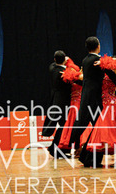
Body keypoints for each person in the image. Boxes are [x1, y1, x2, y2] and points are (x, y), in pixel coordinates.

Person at [70, 36, 105, 167]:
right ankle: (89, 158)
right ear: (98, 46)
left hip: (86, 96)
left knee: (94, 127)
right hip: (95, 97)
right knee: (97, 129)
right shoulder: (97, 60)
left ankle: (87, 157)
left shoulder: (85, 60)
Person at [43, 50, 71, 158]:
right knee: (64, 125)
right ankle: (55, 149)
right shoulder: (64, 73)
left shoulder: (52, 68)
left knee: (62, 125)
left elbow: (54, 64)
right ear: (64, 59)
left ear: (55, 59)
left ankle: (56, 149)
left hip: (54, 101)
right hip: (63, 102)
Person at [54, 57, 83, 158]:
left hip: (78, 103)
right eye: (70, 69)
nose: (72, 71)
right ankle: (77, 148)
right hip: (73, 104)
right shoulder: (69, 79)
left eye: (73, 69)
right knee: (73, 125)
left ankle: (79, 148)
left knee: (77, 125)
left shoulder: (78, 77)